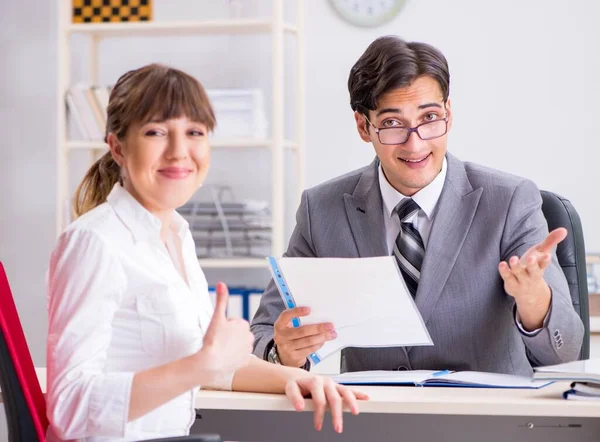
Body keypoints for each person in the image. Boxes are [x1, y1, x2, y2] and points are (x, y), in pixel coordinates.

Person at [46, 64, 367, 442]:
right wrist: (201, 364)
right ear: (117, 146)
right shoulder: (94, 242)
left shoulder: (176, 237)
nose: (179, 151)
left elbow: (214, 368)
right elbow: (69, 408)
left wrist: (300, 377)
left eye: (194, 132)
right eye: (155, 132)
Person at [251, 36, 584, 376]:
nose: (415, 143)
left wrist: (534, 301)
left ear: (449, 115)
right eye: (393, 123)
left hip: (484, 421)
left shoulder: (510, 201)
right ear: (364, 127)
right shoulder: (322, 209)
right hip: (370, 419)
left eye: (429, 117)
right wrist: (284, 354)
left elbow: (565, 352)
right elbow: (263, 333)